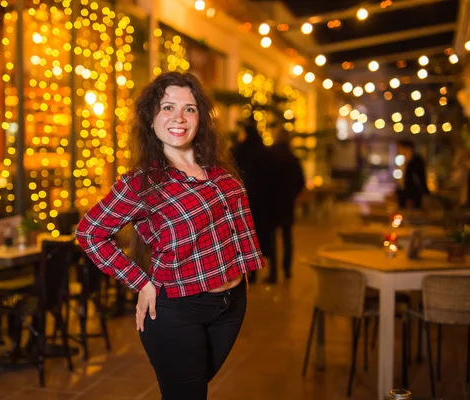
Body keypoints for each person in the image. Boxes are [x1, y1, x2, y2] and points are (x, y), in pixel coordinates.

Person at [75, 72, 264, 400]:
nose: (179, 117)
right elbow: (89, 232)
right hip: (177, 308)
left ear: (200, 119)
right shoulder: (141, 182)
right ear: (151, 118)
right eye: (168, 107)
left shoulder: (219, 172)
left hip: (231, 304)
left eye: (189, 109)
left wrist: (240, 272)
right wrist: (142, 282)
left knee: (190, 392)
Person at [231, 120, 273, 282]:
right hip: (263, 199)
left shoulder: (240, 150)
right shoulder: (264, 151)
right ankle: (270, 271)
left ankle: (249, 273)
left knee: (245, 236)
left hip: (244, 198)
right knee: (263, 235)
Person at [266, 131, 305, 281]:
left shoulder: (270, 158)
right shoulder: (293, 159)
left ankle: (273, 272)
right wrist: (292, 195)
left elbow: (265, 181)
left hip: (272, 202)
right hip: (287, 203)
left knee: (272, 238)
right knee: (287, 237)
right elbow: (301, 182)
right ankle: (287, 269)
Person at [396, 140, 429, 209]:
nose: (398, 150)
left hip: (413, 194)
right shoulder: (403, 160)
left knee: (413, 214)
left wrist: (425, 192)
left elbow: (421, 177)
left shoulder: (417, 160)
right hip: (404, 193)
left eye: (400, 148)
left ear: (407, 148)